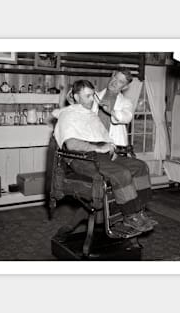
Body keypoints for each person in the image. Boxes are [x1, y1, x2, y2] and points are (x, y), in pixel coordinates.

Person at [54, 79, 156, 233]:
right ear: (76, 97)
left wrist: (111, 147)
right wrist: (99, 148)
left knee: (140, 166)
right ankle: (130, 216)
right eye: (87, 96)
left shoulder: (90, 115)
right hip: (82, 159)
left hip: (101, 156)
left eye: (92, 95)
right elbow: (72, 145)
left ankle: (139, 211)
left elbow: (103, 137)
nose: (91, 100)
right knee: (121, 173)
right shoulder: (67, 115)